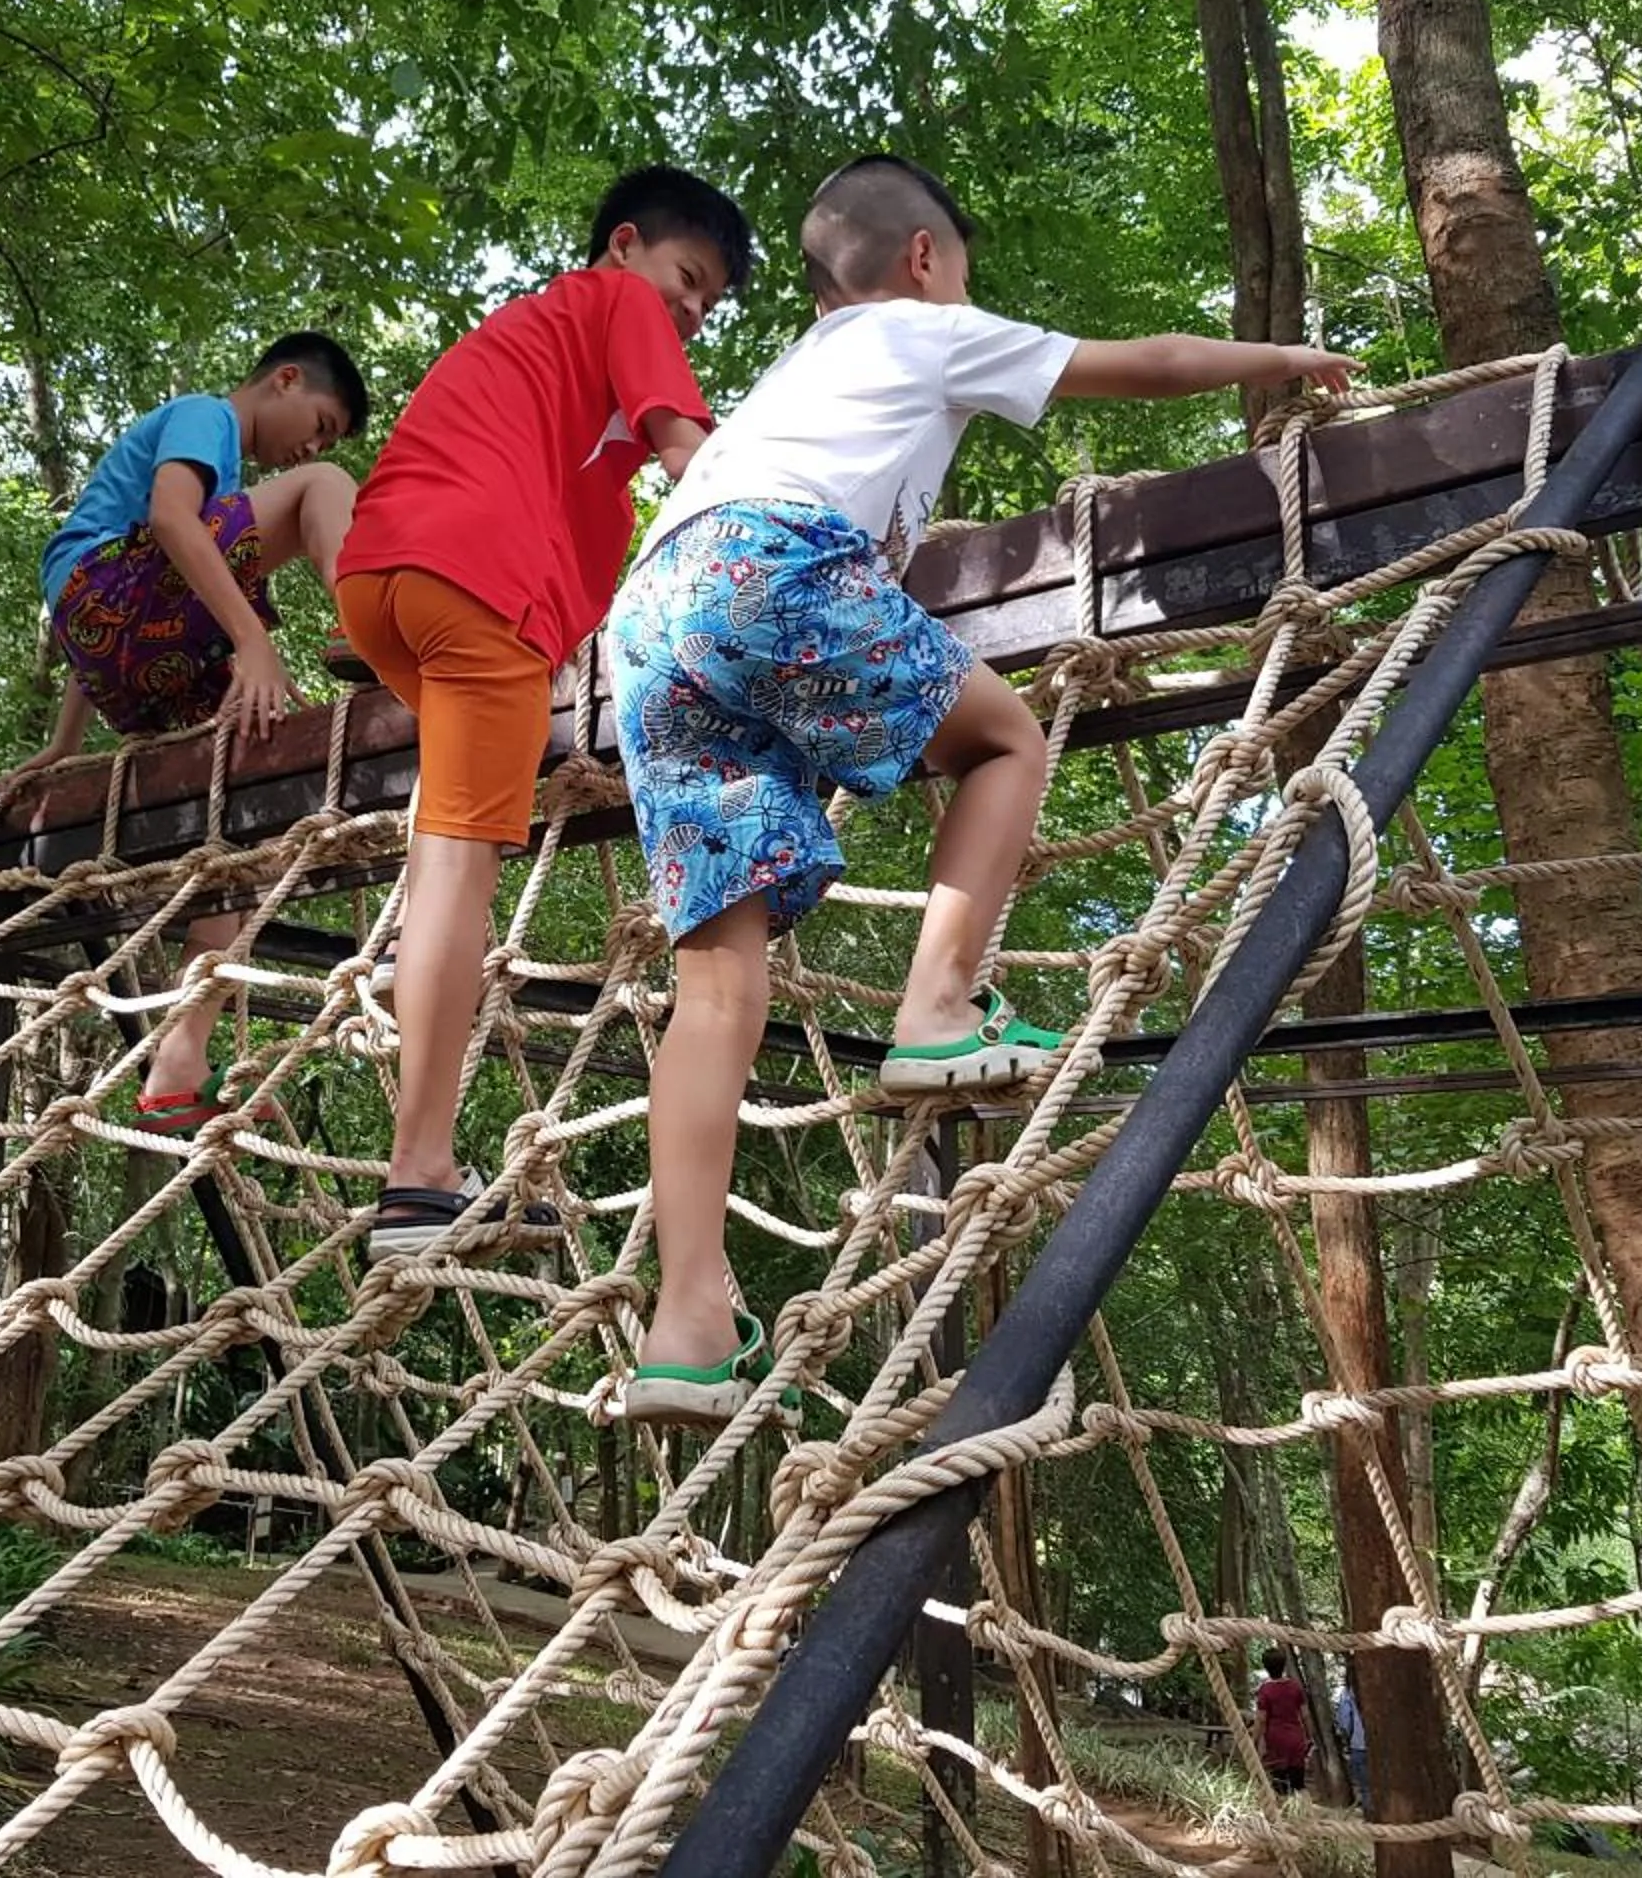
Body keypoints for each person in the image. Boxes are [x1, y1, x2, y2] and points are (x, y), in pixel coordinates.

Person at [606, 155, 1357, 1422]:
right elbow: (1149, 359)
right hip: (768, 566)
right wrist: (1286, 362)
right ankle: (939, 1010)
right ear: (921, 261)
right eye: (963, 268)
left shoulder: (790, 379)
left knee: (716, 982)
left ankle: (685, 1325)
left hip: (650, 619)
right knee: (1004, 741)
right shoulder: (922, 326)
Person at [333, 165, 753, 1259]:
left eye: (708, 306)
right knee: (467, 863)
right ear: (624, 246)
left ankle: (411, 1054)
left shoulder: (539, 352)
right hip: (474, 586)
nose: (690, 313)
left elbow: (601, 524)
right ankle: (421, 1176)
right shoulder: (615, 302)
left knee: (449, 836)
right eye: (688, 280)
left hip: (383, 583)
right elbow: (689, 459)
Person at [0, 331, 368, 1126]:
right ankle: (366, 623)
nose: (310, 440)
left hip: (129, 643)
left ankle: (178, 1060)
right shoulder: (206, 417)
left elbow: (105, 631)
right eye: (320, 421)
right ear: (285, 380)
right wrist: (254, 640)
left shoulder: (221, 492)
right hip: (115, 599)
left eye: (325, 434)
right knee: (322, 489)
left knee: (250, 796)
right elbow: (168, 522)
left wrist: (66, 744)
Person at [1256, 1646, 1311, 1797]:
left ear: (1266, 1667)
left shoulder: (1265, 1691)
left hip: (1275, 1739)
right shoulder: (1295, 1687)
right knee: (1298, 1782)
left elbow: (1261, 1719)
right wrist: (1309, 1736)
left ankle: (1284, 1813)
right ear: (1284, 1664)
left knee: (1279, 1781)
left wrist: (1255, 1740)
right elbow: (1305, 1714)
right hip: (1295, 1737)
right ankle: (1302, 1812)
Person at [1331, 1666, 1370, 1813]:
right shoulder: (1378, 1691)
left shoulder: (1348, 1694)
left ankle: (1372, 1822)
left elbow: (1344, 1722)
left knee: (1366, 1789)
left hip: (1359, 1746)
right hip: (1383, 1747)